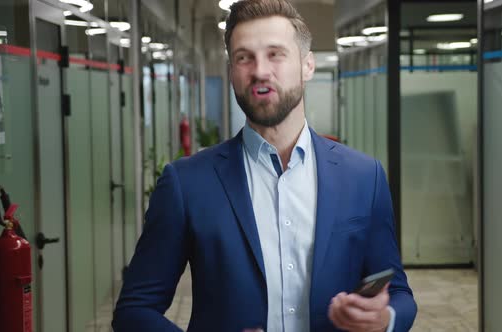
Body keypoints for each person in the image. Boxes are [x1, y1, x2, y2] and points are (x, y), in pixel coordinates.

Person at [112, 0, 417, 331]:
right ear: (232, 72)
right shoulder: (187, 183)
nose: (259, 70)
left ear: (307, 65)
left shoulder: (363, 177)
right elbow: (134, 310)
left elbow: (398, 294)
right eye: (244, 57)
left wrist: (384, 318)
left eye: (276, 54)